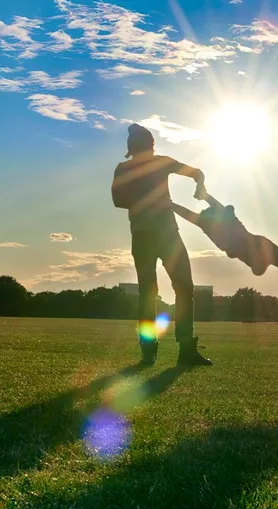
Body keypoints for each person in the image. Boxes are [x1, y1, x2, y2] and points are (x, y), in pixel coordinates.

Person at [112, 124, 212, 367]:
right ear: (151, 143)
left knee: (165, 290)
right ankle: (164, 351)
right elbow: (118, 200)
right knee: (166, 290)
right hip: (158, 235)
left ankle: (164, 352)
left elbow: (197, 173)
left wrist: (200, 185)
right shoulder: (135, 166)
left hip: (158, 235)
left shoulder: (141, 165)